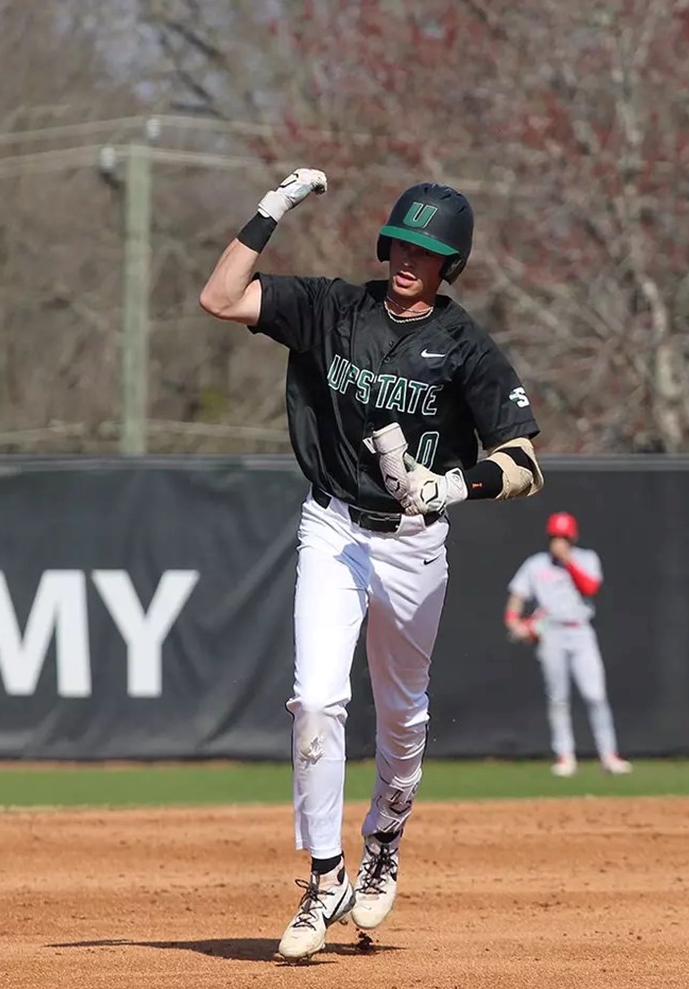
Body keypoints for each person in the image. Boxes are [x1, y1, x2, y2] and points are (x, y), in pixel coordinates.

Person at [198, 169, 545, 960]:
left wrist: (452, 485)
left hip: (414, 543)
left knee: (403, 713)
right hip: (334, 526)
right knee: (316, 702)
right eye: (401, 245)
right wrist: (271, 209)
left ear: (449, 263)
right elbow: (220, 298)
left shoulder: (466, 346)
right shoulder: (332, 310)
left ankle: (385, 836)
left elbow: (526, 463)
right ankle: (326, 877)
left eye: (426, 251)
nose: (409, 259)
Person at [505, 511, 632, 777]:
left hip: (581, 631)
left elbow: (590, 587)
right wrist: (514, 622)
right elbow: (517, 596)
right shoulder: (536, 564)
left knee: (595, 695)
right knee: (558, 698)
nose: (558, 542)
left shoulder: (587, 558)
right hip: (551, 633)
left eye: (563, 537)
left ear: (572, 538)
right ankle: (565, 756)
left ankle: (609, 756)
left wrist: (568, 561)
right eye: (555, 537)